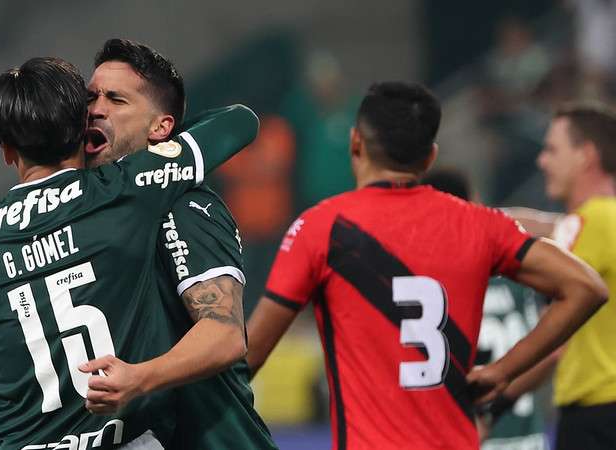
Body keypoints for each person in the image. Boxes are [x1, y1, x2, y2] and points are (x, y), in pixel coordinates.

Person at [0, 40, 276, 450]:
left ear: (161, 128)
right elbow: (48, 264)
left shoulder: (182, 204)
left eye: (116, 99)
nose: (95, 109)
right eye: (89, 98)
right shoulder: (114, 198)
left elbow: (223, 336)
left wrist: (140, 377)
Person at [246, 81, 608, 450]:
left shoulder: (321, 228)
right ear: (430, 157)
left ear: (356, 143)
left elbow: (252, 353)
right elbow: (587, 287)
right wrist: (505, 371)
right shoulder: (480, 224)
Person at [495, 103, 616, 450]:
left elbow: (552, 346)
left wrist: (495, 398)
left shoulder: (590, 222)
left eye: (552, 149)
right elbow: (548, 224)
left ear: (585, 155)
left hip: (597, 416)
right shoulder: (604, 219)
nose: (542, 161)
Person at [422, 168, 549, 450]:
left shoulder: (429, 284)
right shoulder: (520, 272)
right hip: (525, 438)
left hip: (462, 437)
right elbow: (553, 352)